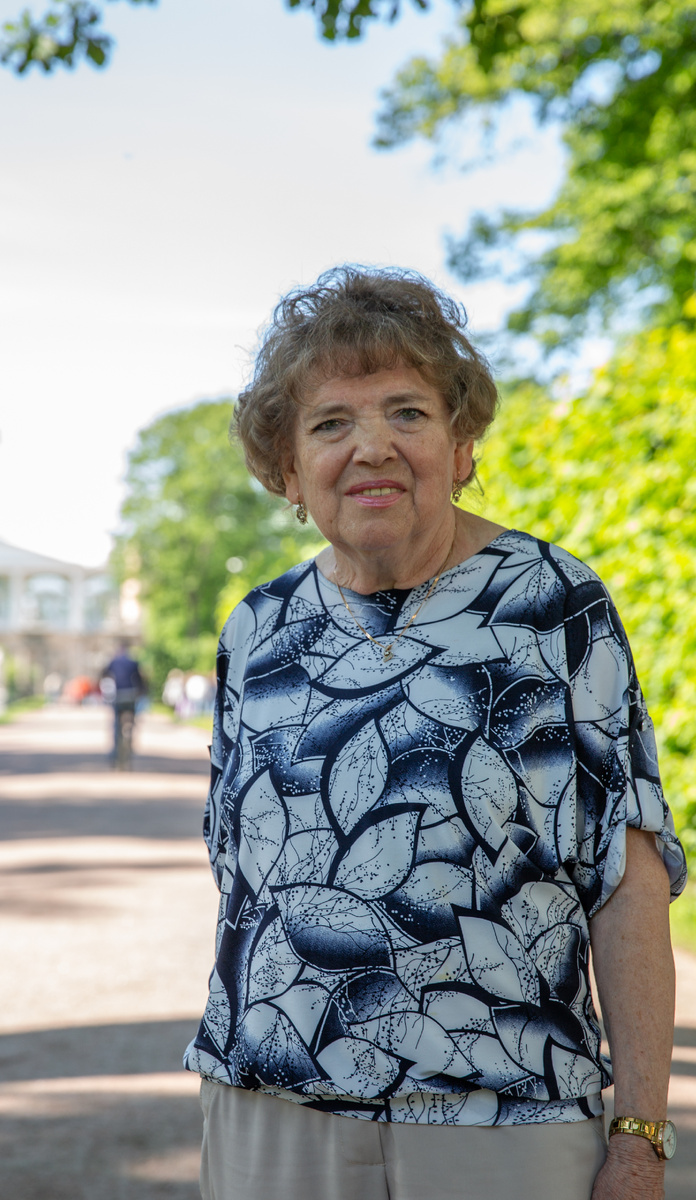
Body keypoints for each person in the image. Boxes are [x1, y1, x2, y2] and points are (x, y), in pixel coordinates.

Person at [183, 267, 687, 1200]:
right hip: (273, 1118)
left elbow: (628, 874)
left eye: (406, 413)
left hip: (503, 1120)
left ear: (460, 446)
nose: (371, 446)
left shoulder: (553, 608)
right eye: (331, 422)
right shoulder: (257, 630)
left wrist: (640, 1134)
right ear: (288, 471)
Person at [100, 640, 146, 765]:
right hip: (131, 694)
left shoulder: (113, 662)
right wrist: (142, 692)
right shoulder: (133, 663)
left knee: (116, 724)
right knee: (131, 721)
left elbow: (104, 674)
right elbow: (140, 680)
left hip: (118, 695)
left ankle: (115, 755)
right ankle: (129, 740)